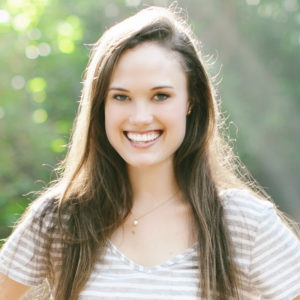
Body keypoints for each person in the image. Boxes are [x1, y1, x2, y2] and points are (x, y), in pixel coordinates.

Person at [1, 6, 300, 300]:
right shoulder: (60, 220)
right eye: (121, 97)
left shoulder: (243, 223)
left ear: (190, 101)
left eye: (161, 96)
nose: (140, 117)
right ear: (101, 106)